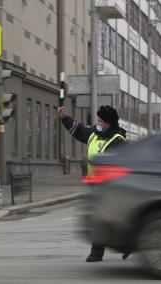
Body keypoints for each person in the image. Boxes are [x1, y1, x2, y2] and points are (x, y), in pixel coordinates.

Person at [58, 105, 128, 262]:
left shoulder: (118, 140)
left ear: (108, 123)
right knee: (103, 219)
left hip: (112, 187)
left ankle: (114, 248)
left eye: (100, 121)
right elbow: (79, 130)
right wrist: (64, 118)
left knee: (109, 219)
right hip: (96, 184)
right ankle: (102, 251)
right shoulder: (94, 134)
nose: (97, 123)